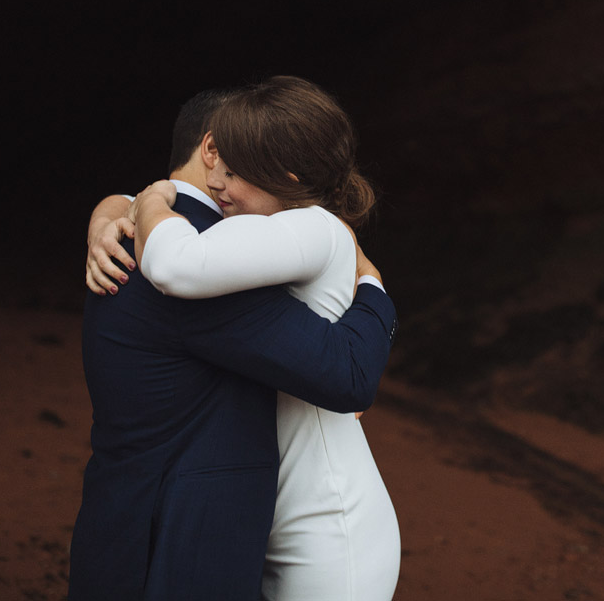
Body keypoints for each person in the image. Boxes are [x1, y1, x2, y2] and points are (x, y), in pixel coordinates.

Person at [69, 86, 397, 601]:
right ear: (211, 148)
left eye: (240, 168)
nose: (223, 183)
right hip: (180, 542)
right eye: (225, 163)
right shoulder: (184, 251)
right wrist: (372, 283)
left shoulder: (135, 231)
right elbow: (348, 372)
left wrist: (131, 202)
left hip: (128, 522)